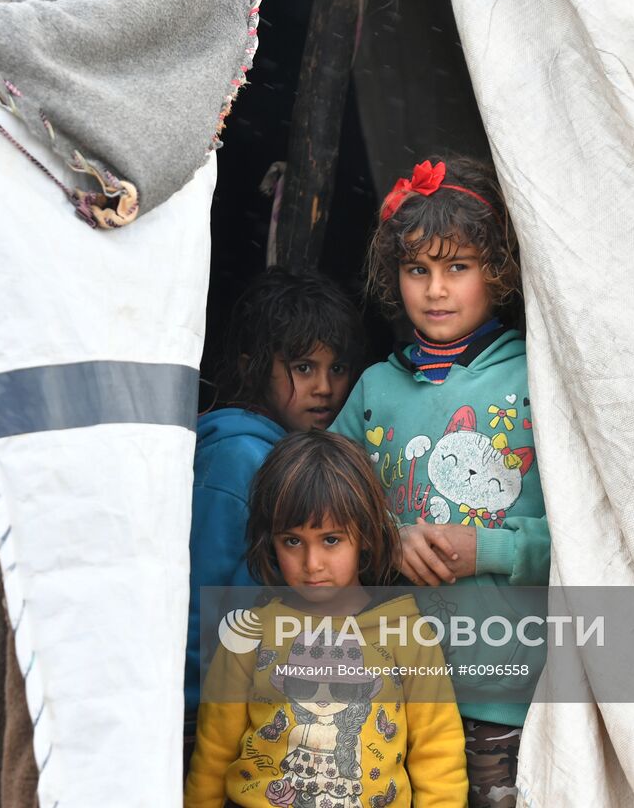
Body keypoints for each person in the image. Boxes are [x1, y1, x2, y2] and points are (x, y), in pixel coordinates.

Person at [330, 157, 548, 808]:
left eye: (458, 267)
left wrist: (491, 550)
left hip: (503, 688)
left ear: (497, 273)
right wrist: (387, 543)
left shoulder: (538, 384)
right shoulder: (374, 391)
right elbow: (316, 516)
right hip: (389, 685)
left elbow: (598, 537)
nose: (436, 289)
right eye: (417, 269)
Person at [185, 430, 468, 807]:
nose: (311, 564)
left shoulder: (407, 634)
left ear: (365, 535)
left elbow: (438, 752)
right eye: (292, 541)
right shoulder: (250, 633)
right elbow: (213, 751)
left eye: (331, 540)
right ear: (269, 540)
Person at [186, 269, 365, 742]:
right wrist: (194, 708)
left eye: (338, 368)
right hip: (209, 710)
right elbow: (196, 600)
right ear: (253, 367)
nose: (324, 387)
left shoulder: (304, 454)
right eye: (304, 367)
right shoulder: (236, 458)